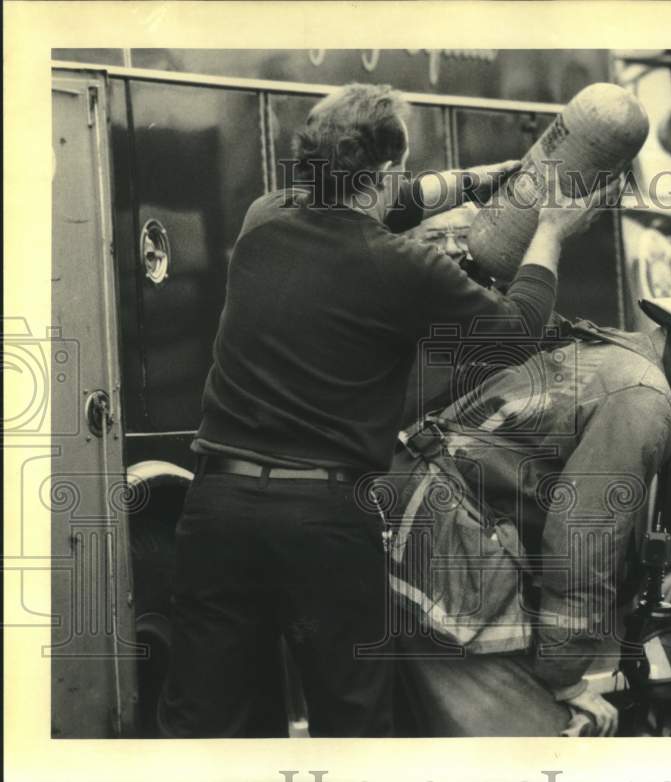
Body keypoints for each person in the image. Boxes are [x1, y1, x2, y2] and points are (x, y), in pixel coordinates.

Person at [157, 82, 609, 738]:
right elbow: (515, 332)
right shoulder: (403, 267)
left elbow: (383, 203)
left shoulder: (264, 217)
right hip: (322, 525)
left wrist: (473, 182)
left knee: (210, 724)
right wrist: (550, 233)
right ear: (386, 172)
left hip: (216, 512)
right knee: (353, 722)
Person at [385, 270, 671, 736]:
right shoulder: (643, 401)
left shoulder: (621, 360)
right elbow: (583, 543)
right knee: (539, 752)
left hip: (428, 539)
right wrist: (565, 680)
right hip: (445, 562)